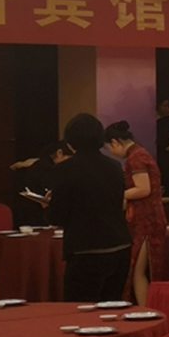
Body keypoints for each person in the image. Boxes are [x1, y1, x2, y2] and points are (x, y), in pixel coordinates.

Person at [48, 114, 135, 302]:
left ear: (70, 141)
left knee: (80, 309)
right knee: (112, 307)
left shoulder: (65, 169)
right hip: (120, 246)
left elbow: (57, 216)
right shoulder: (114, 166)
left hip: (86, 249)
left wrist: (48, 204)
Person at [105, 121, 169, 302]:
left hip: (146, 220)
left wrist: (117, 195)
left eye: (110, 148)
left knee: (138, 271)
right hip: (149, 217)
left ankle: (145, 310)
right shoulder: (140, 153)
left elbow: (143, 189)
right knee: (141, 271)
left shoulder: (136, 158)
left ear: (115, 142)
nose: (112, 153)